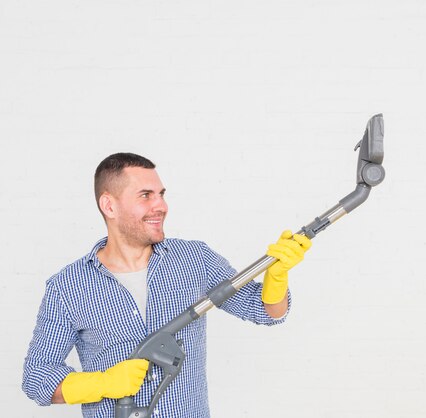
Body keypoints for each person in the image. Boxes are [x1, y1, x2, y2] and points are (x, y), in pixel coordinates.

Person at [22, 152, 312, 418]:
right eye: (145, 195)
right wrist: (101, 383)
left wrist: (276, 275)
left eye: (161, 194)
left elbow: (265, 311)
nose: (161, 206)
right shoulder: (68, 287)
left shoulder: (194, 259)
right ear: (109, 205)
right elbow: (36, 378)